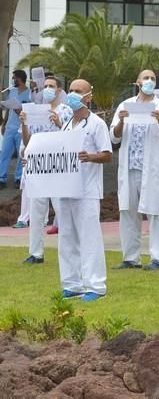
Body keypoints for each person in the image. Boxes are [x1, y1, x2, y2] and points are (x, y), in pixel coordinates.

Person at [110, 70, 159, 271]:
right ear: (137, 82)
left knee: (156, 212)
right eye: (145, 78)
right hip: (129, 167)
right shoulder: (125, 105)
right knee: (128, 211)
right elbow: (114, 138)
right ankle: (130, 258)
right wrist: (121, 121)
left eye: (153, 78)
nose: (149, 81)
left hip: (153, 167)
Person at [58, 79, 113, 301]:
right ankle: (72, 283)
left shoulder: (96, 124)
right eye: (70, 90)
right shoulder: (66, 123)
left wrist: (90, 157)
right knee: (67, 238)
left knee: (89, 239)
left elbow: (108, 154)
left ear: (88, 96)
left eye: (77, 91)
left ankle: (95, 286)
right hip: (66, 188)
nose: (72, 94)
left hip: (87, 189)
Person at [19, 76, 72, 264]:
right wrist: (24, 123)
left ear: (59, 90)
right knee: (36, 212)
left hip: (57, 168)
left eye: (52, 86)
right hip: (38, 168)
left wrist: (59, 123)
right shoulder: (35, 110)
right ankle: (36, 253)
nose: (48, 89)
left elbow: (71, 138)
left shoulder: (66, 111)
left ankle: (68, 251)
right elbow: (27, 141)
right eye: (45, 86)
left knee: (62, 211)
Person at [0, 70, 32, 189]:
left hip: (21, 128)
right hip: (10, 126)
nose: (13, 80)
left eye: (14, 78)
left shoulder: (29, 93)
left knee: (20, 154)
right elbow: (8, 108)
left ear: (20, 79)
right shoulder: (12, 91)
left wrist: (21, 111)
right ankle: (1, 178)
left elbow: (30, 111)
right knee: (4, 153)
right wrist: (4, 123)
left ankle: (18, 177)